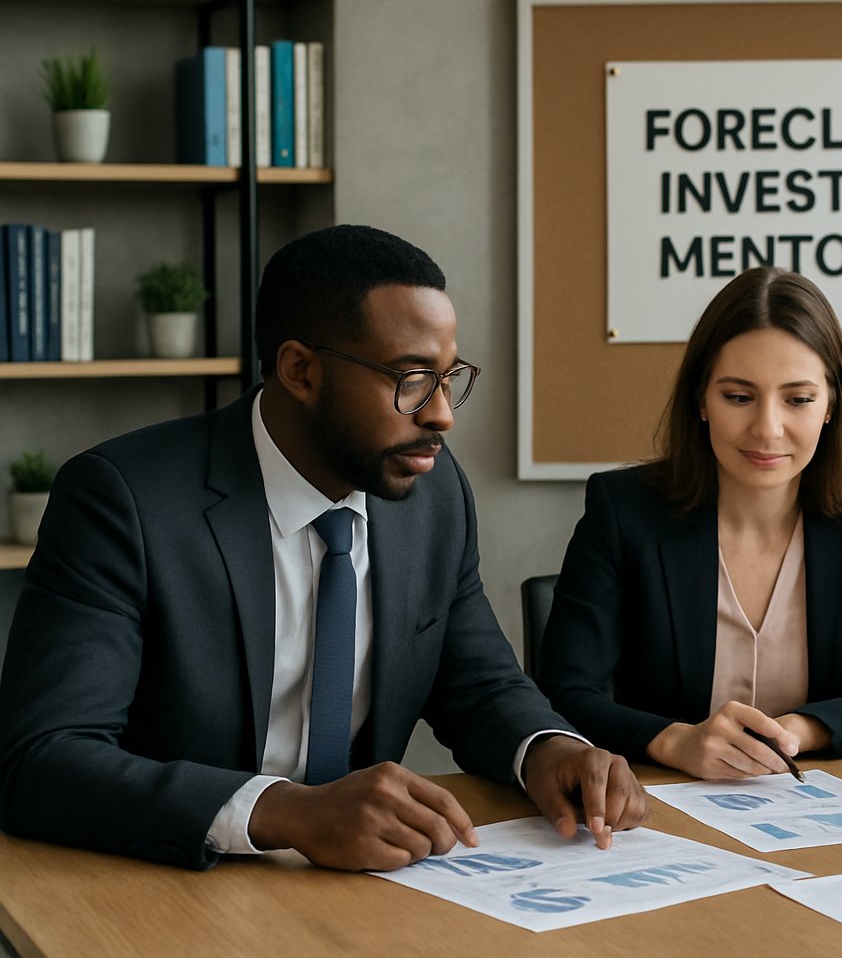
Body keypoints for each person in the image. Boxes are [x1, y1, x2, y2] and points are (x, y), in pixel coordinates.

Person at [0, 225, 647, 871]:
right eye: (412, 378)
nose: (442, 415)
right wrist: (286, 812)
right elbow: (41, 758)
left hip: (361, 887)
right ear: (300, 371)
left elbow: (478, 685)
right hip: (171, 881)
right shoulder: (126, 502)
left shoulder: (433, 492)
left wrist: (549, 750)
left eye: (449, 378)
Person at [538, 267, 842, 779]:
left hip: (816, 809)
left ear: (831, 404)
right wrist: (673, 741)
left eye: (798, 399)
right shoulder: (623, 509)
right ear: (701, 400)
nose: (768, 428)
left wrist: (799, 731)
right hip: (656, 805)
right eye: (739, 397)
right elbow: (561, 697)